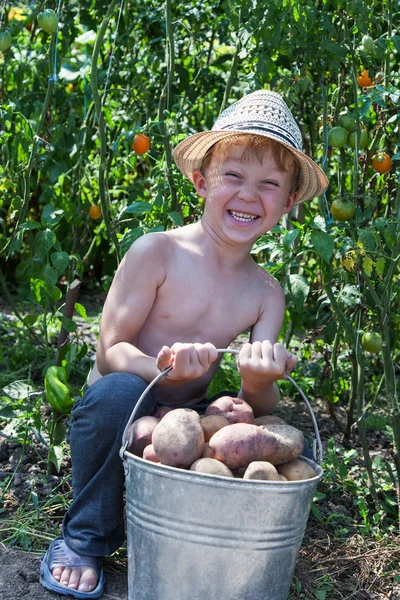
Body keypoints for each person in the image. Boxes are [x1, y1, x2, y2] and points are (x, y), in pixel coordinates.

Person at [40, 90, 328, 598]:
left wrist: (258, 380)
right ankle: (86, 537)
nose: (247, 195)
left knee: (249, 430)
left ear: (287, 204)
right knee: (116, 398)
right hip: (124, 395)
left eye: (268, 185)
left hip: (189, 411)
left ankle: (205, 538)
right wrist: (160, 367)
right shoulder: (158, 252)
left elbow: (258, 406)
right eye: (233, 176)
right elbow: (111, 352)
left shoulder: (265, 293)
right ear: (201, 181)